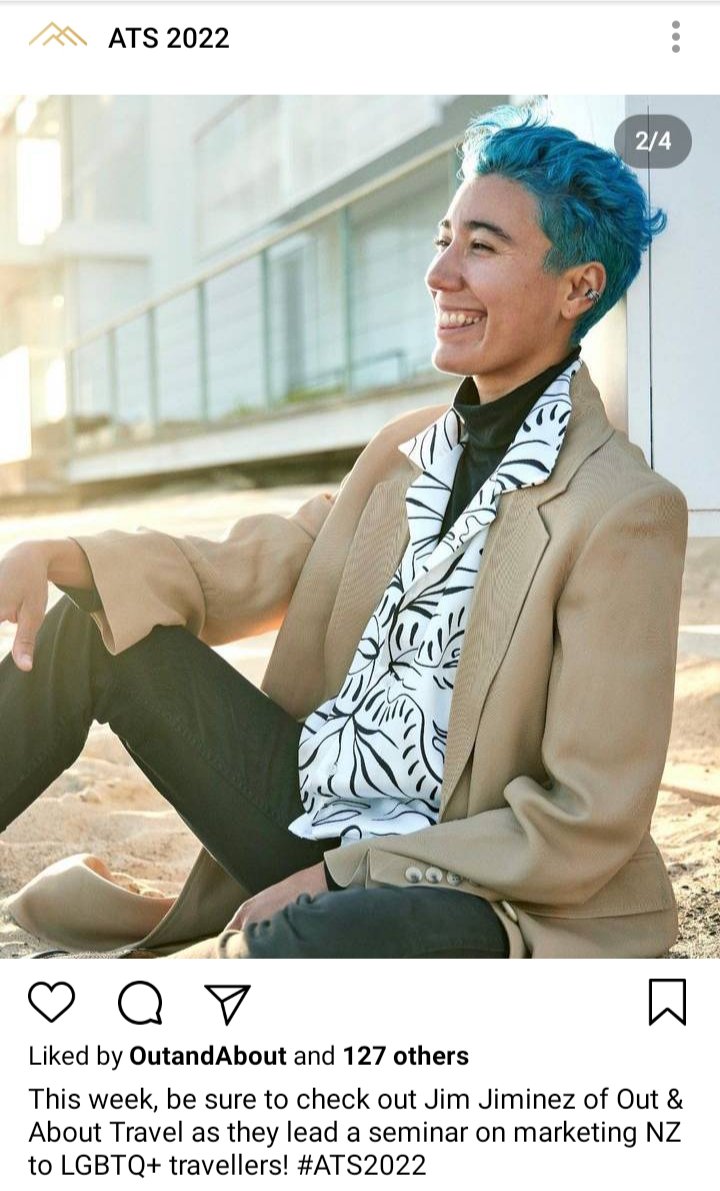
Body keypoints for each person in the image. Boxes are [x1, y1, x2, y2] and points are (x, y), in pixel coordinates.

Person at [0, 104, 687, 959]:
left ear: (578, 288)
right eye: (443, 238)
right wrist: (59, 556)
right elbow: (251, 565)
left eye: (481, 246)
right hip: (307, 800)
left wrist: (348, 872)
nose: (440, 272)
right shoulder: (403, 450)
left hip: (454, 873)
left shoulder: (621, 508)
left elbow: (586, 817)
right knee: (89, 625)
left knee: (326, 934)